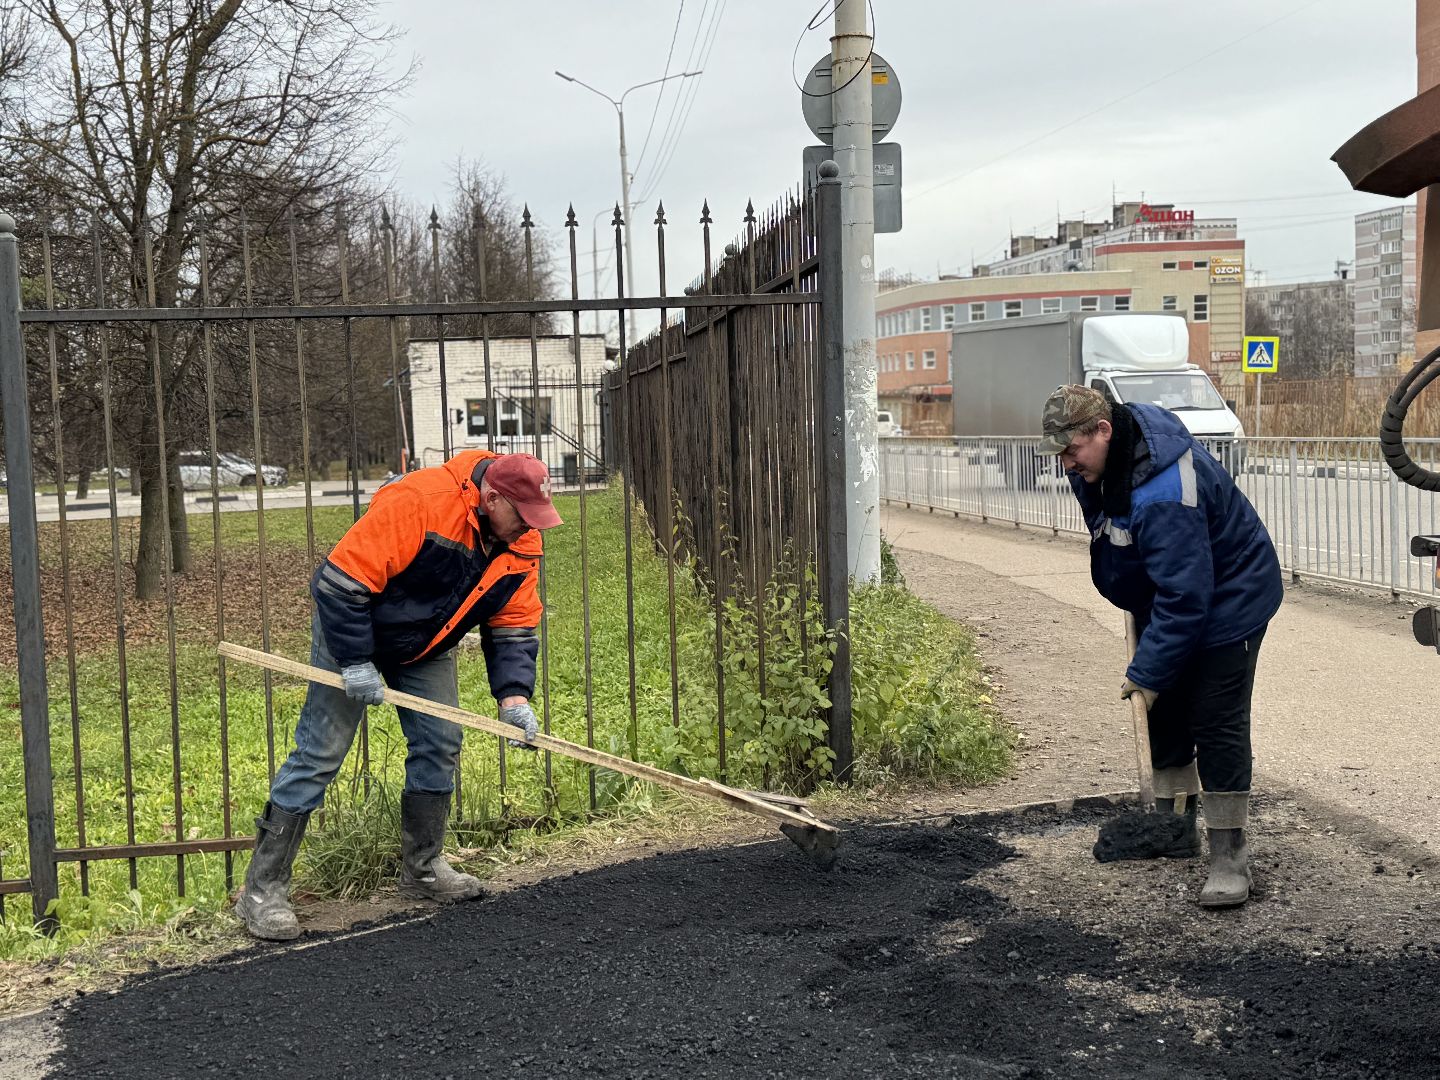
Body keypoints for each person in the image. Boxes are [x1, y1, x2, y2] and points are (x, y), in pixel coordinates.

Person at [236, 450, 563, 941]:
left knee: (441, 741)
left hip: (427, 644)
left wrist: (514, 698)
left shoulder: (522, 540)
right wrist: (354, 661)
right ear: (492, 497)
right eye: (522, 516)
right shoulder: (420, 501)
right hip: (351, 627)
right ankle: (261, 891)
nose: (528, 529)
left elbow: (513, 624)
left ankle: (423, 869)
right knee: (319, 754)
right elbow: (340, 583)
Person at [1037, 385, 1283, 908]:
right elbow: (1120, 535)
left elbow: (1188, 598)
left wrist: (1147, 671)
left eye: (1070, 450)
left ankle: (1228, 854)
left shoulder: (1167, 491)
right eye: (1059, 452)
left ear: (1103, 431)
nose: (1065, 464)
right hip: (1172, 591)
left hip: (1229, 598)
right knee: (1165, 710)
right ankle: (1174, 829)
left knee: (1215, 718)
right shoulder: (1103, 463)